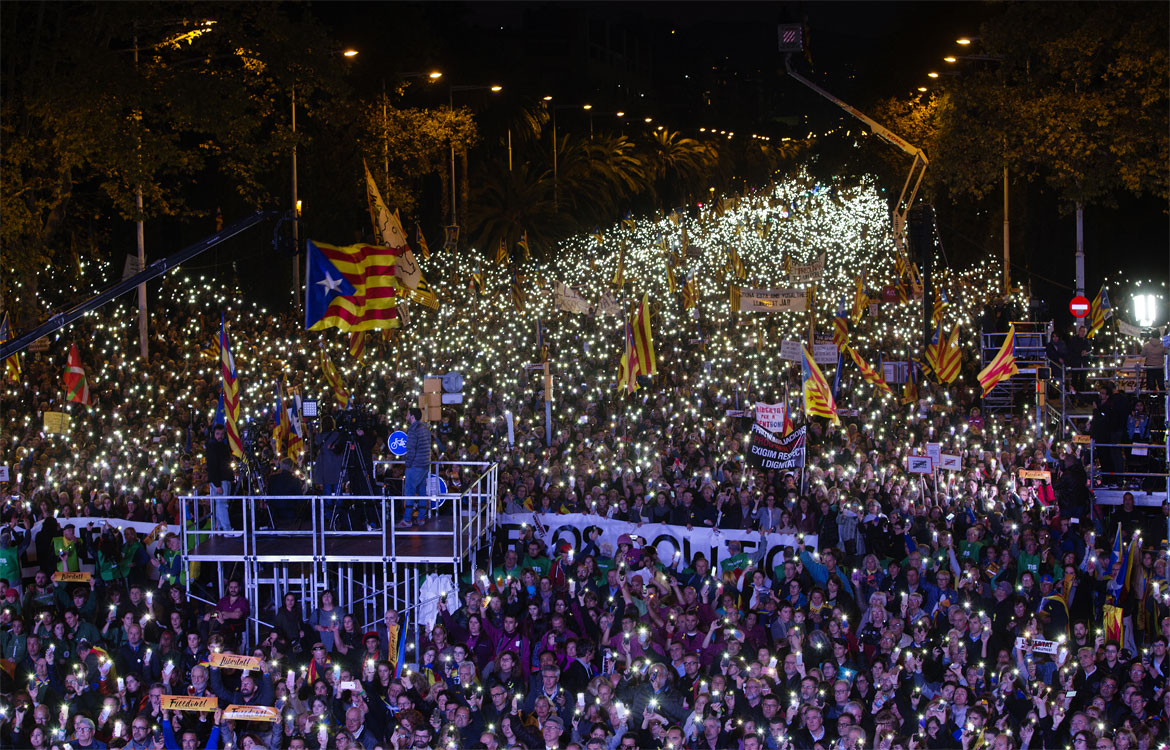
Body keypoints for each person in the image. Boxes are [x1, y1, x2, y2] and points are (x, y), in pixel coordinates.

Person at [400, 407, 431, 528]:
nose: (406, 416)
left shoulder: (413, 430)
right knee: (422, 491)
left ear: (412, 416)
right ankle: (421, 517)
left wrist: (407, 464)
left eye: (408, 414)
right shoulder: (425, 429)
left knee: (410, 491)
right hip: (424, 464)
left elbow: (411, 450)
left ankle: (407, 519)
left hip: (415, 466)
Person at [205, 424, 234, 531]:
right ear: (213, 434)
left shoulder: (221, 446)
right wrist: (217, 484)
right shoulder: (213, 446)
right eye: (218, 434)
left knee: (221, 505)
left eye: (222, 434)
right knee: (222, 505)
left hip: (223, 478)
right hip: (220, 480)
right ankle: (227, 529)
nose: (220, 436)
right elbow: (212, 466)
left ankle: (221, 528)